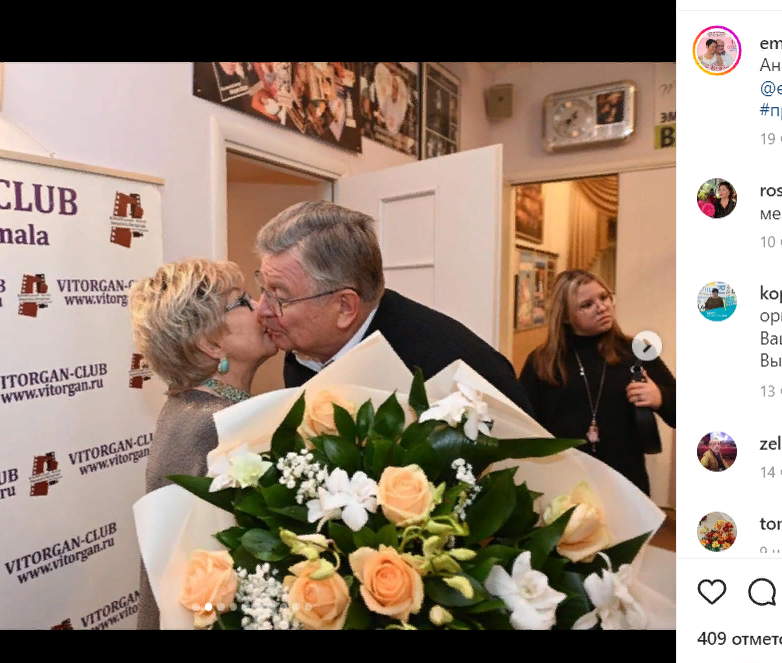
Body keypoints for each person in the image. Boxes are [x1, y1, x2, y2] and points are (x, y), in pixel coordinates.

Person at [255, 201, 534, 415]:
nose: (262, 310)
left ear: (344, 307)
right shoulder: (305, 349)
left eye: (280, 297)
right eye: (264, 289)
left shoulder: (460, 371)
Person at [128, 259, 277, 630]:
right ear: (210, 343)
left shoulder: (198, 410)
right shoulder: (212, 426)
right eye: (242, 301)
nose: (261, 306)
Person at [520, 269, 676, 496]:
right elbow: (523, 424)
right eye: (587, 305)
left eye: (604, 297)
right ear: (565, 316)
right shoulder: (542, 361)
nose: (602, 307)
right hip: (563, 482)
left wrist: (660, 397)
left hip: (625, 481)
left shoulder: (637, 351)